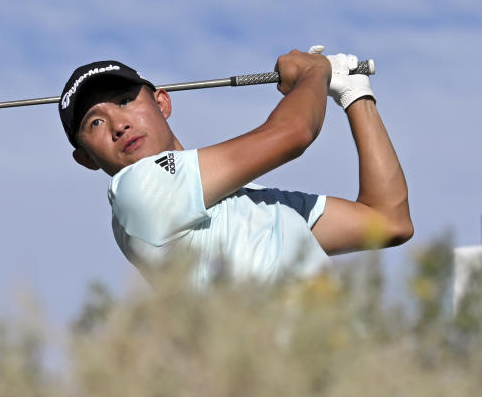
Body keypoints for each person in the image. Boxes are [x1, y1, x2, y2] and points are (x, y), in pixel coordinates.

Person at [59, 49, 413, 287]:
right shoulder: (136, 192)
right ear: (86, 159)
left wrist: (355, 96)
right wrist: (313, 73)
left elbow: (388, 221)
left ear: (162, 102)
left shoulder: (255, 204)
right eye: (95, 124)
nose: (118, 125)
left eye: (124, 101)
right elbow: (294, 133)